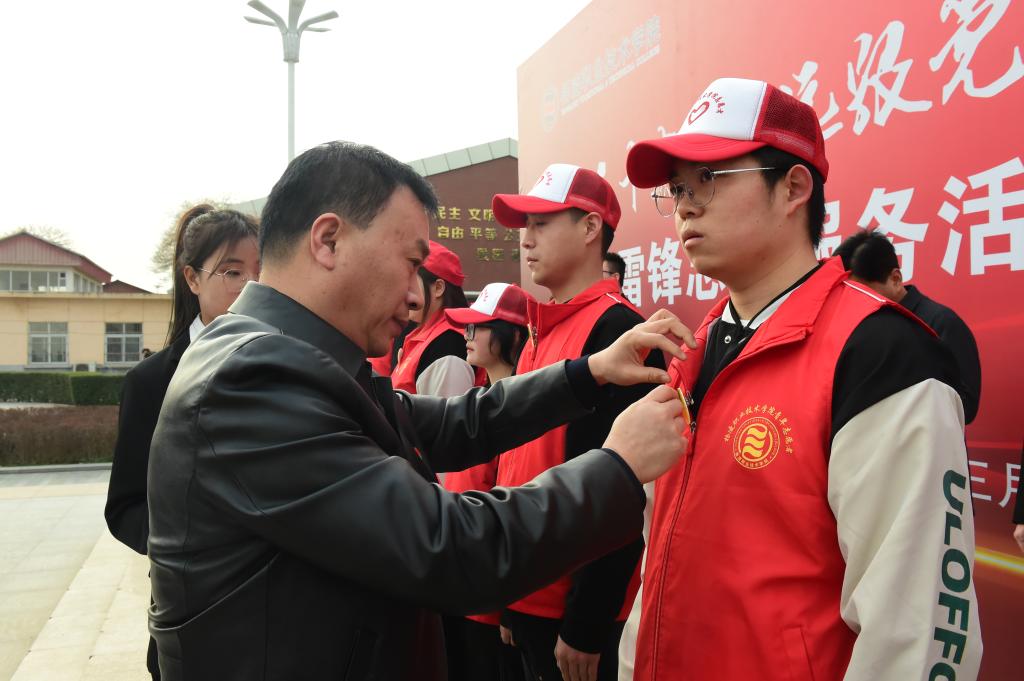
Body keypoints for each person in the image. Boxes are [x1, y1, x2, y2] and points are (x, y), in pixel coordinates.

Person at [145, 141, 694, 681]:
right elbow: (448, 547)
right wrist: (618, 466)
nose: (416, 296)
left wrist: (587, 373)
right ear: (328, 241)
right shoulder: (254, 379)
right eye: (410, 264)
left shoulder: (292, 358)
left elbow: (457, 421)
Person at [624, 77, 981, 680]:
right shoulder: (690, 351)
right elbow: (655, 560)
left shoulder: (879, 353)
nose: (684, 205)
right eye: (678, 188)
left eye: (707, 178)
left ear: (793, 187)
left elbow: (915, 629)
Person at [491, 163, 664, 681]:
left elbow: (624, 485)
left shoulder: (619, 331)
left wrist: (588, 620)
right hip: (528, 593)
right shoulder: (541, 330)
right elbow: (515, 465)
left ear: (590, 228)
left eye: (541, 224)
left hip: (576, 618)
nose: (526, 240)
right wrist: (509, 592)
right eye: (525, 226)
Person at [104, 204, 260, 679]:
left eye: (260, 271)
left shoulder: (290, 367)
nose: (250, 285)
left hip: (274, 614)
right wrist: (191, 541)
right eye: (232, 272)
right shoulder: (152, 382)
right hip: (192, 610)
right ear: (192, 278)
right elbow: (125, 507)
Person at [441, 281, 534, 681]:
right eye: (467, 327)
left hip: (491, 598)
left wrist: (510, 605)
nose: (468, 336)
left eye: (478, 327)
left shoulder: (525, 410)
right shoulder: (478, 399)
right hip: (459, 582)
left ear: (511, 336)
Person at [833, 230, 982, 424]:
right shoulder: (859, 329)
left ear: (895, 279)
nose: (853, 302)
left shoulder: (941, 322)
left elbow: (966, 405)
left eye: (862, 293)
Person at [391, 241, 482, 396]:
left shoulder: (449, 344)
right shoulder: (421, 333)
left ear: (438, 288)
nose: (404, 294)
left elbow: (448, 410)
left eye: (412, 283)